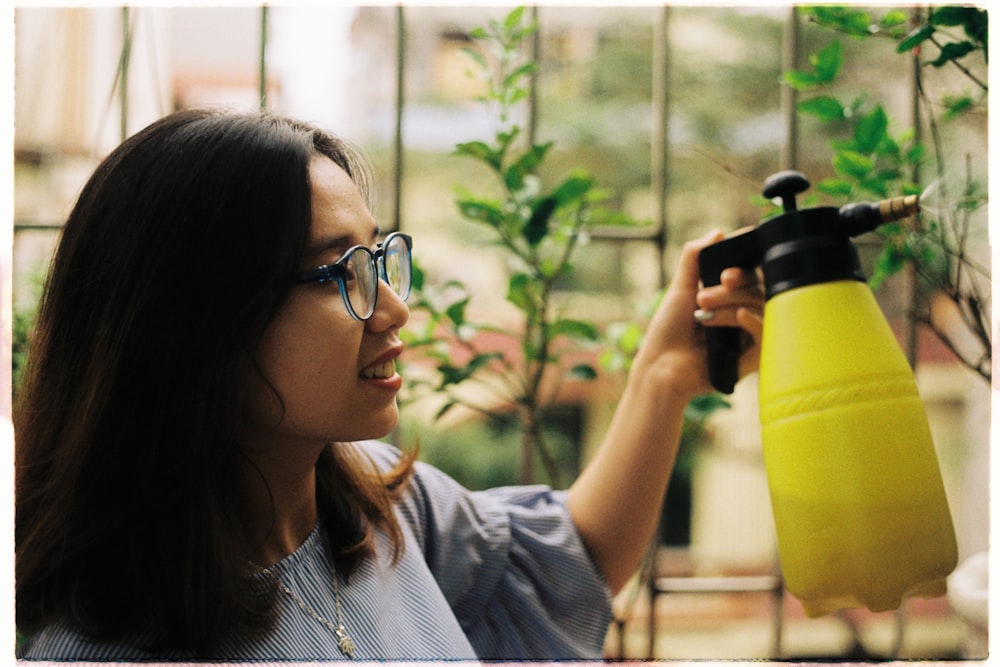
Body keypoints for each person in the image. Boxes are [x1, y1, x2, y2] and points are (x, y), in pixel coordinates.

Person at [14, 108, 763, 661]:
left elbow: (569, 563)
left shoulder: (378, 504)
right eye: (342, 273)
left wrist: (665, 375)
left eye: (378, 258)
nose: (395, 308)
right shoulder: (102, 648)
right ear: (200, 322)